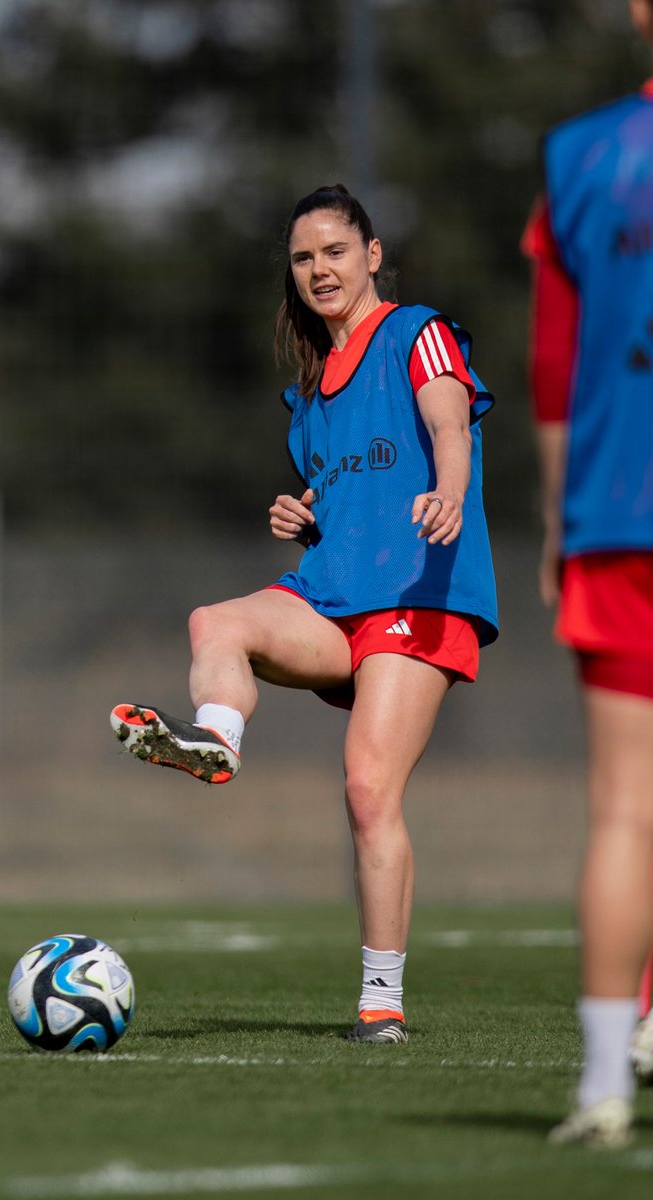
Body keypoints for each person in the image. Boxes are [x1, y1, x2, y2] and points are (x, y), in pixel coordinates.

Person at [110, 184, 498, 1045]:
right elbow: (347, 490)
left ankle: (380, 1002)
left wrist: (449, 490)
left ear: (371, 254)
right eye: (301, 257)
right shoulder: (312, 390)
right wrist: (305, 515)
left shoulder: (416, 331)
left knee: (367, 789)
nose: (318, 268)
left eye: (333, 250)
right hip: (334, 593)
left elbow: (447, 423)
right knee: (216, 622)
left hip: (418, 598)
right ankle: (216, 738)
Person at [523, 0, 653, 1149]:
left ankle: (604, 1086)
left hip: (616, 516)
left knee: (622, 808)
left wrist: (560, 520)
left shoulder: (579, 158)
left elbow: (554, 374)